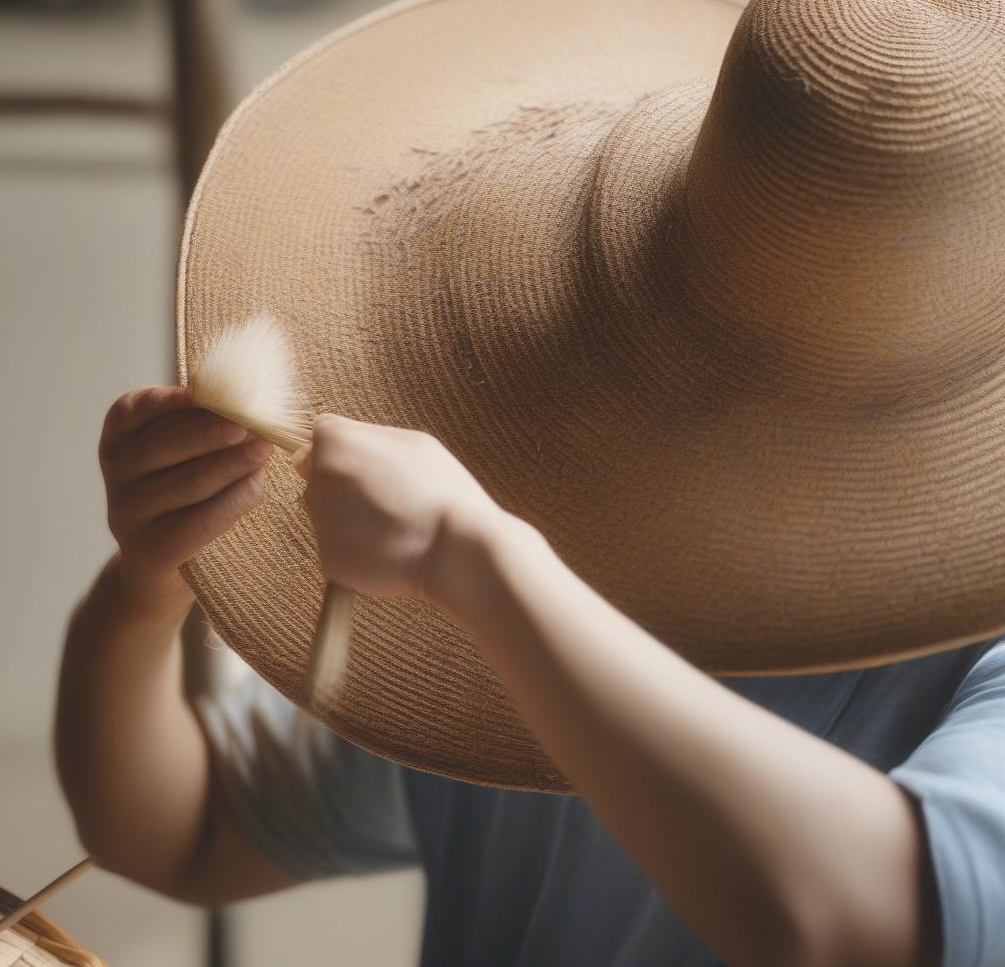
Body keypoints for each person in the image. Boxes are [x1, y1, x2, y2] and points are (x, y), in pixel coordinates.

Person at [55, 385, 1005, 967]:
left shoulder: (502, 582)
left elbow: (870, 928)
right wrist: (144, 590)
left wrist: (468, 557)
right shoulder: (551, 571)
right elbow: (187, 831)